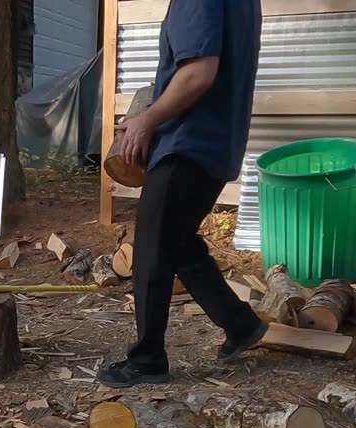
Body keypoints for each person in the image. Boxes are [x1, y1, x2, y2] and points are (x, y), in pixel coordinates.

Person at [98, 0, 267, 389]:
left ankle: (147, 360)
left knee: (153, 247)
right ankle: (241, 324)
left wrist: (147, 120)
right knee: (178, 244)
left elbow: (198, 73)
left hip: (187, 143)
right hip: (214, 143)